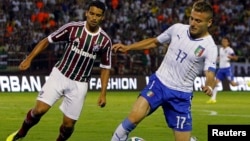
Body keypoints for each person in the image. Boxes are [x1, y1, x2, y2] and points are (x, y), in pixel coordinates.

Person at [111, 1, 217, 141]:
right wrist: (128, 48)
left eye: (198, 21)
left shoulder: (210, 47)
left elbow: (210, 72)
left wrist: (209, 85)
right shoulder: (177, 29)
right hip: (159, 83)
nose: (193, 23)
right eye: (192, 18)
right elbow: (154, 42)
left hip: (181, 95)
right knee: (134, 117)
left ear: (209, 22)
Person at [6, 1, 112, 141]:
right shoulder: (72, 28)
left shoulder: (105, 41)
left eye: (98, 15)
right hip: (60, 75)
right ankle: (20, 133)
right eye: (91, 13)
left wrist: (103, 93)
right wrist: (29, 58)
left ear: (102, 17)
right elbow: (47, 40)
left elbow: (105, 68)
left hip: (80, 84)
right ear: (86, 13)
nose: (94, 17)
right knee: (39, 110)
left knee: (68, 126)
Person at [206, 36, 245, 104]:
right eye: (223, 41)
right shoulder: (220, 49)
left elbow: (236, 58)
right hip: (221, 69)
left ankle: (245, 83)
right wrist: (217, 58)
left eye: (225, 41)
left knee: (233, 84)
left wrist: (231, 57)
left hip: (227, 69)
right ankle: (213, 99)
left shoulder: (230, 50)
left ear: (228, 43)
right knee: (215, 83)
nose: (223, 42)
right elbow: (221, 57)